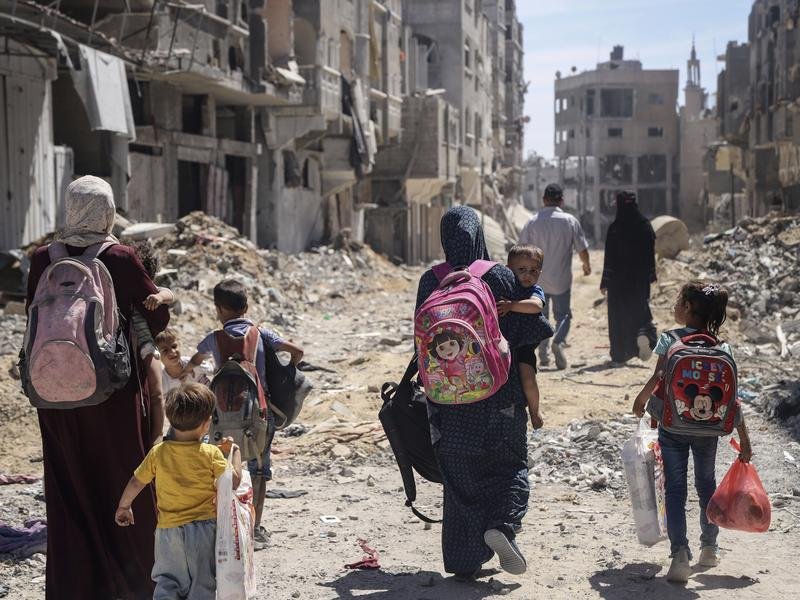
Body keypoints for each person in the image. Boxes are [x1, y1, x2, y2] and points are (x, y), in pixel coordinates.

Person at [25, 176, 169, 599]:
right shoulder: (119, 256)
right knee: (124, 482)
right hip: (114, 396)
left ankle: (74, 587)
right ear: (107, 211)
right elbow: (154, 318)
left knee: (68, 487)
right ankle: (133, 585)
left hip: (52, 392)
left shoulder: (41, 259)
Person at [416, 206, 551, 579]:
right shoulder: (501, 277)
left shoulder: (431, 281)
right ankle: (501, 527)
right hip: (500, 397)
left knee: (460, 478)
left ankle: (463, 560)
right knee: (509, 467)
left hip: (450, 401)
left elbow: (422, 345)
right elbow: (527, 334)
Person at [632, 282, 752, 583]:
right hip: (708, 430)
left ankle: (679, 554)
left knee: (675, 489)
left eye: (677, 301)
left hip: (674, 426)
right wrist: (744, 438)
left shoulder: (670, 339)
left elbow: (659, 377)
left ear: (686, 308)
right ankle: (709, 548)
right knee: (706, 485)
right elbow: (730, 396)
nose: (674, 306)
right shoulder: (722, 347)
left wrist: (642, 399)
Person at [184, 279, 304, 543]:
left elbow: (194, 361)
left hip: (220, 419)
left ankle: (222, 524)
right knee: (259, 468)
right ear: (247, 306)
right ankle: (255, 528)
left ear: (218, 309)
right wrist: (287, 372)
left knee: (220, 467)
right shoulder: (262, 334)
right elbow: (297, 351)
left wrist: (188, 372)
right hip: (259, 415)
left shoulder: (213, 339)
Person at [115, 383, 242, 599]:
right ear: (206, 424)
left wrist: (124, 506)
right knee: (202, 584)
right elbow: (233, 482)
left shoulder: (158, 453)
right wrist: (235, 452)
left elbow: (137, 481)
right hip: (203, 531)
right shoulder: (211, 454)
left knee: (167, 581)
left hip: (168, 531)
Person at [519, 183, 590, 370]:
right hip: (561, 280)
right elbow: (582, 248)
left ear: (543, 200)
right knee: (564, 315)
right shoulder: (570, 221)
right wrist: (586, 265)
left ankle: (543, 355)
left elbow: (520, 252)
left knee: (541, 317)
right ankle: (558, 341)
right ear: (562, 200)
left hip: (537, 281)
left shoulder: (532, 222)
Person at [127, 239, 177, 444]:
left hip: (147, 346)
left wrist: (158, 297)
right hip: (130, 346)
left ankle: (156, 439)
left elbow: (169, 294)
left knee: (157, 393)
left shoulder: (149, 290)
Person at [600, 191, 658, 364]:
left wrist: (605, 280)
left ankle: (619, 354)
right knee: (640, 312)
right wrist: (651, 273)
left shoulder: (615, 228)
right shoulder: (645, 225)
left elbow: (609, 257)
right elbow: (650, 253)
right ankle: (644, 334)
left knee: (618, 317)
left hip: (617, 282)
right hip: (639, 280)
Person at [496, 244, 546, 431]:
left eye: (534, 270)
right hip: (503, 344)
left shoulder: (534, 291)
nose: (528, 275)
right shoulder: (506, 287)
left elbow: (536, 306)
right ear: (509, 270)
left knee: (528, 378)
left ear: (540, 272)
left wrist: (512, 306)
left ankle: (534, 411)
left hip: (524, 345)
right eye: (522, 270)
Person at [156, 328, 212, 396]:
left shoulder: (191, 363)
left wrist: (192, 367)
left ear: (179, 345)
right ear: (157, 355)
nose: (172, 352)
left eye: (174, 346)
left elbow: (211, 369)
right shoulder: (162, 380)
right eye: (165, 350)